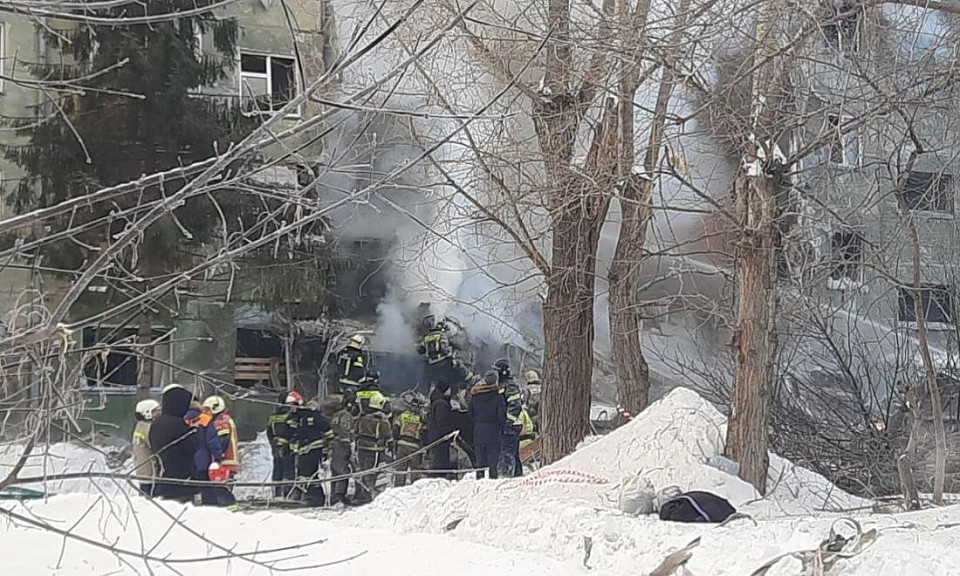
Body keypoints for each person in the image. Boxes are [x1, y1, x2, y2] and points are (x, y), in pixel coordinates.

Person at [149, 384, 198, 502]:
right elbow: (192, 448)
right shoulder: (178, 425)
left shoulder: (157, 423)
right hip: (181, 482)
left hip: (164, 478)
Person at [186, 400, 235, 506]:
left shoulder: (185, 420)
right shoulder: (206, 421)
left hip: (190, 460)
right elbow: (213, 441)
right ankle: (211, 508)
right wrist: (218, 457)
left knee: (197, 487)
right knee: (209, 488)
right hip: (205, 460)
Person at [291, 398, 333, 506]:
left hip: (314, 448)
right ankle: (312, 495)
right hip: (303, 448)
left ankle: (312, 497)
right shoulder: (298, 417)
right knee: (305, 473)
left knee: (309, 473)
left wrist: (328, 447)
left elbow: (327, 429)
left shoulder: (314, 416)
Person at [354, 392, 392, 504]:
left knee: (361, 471)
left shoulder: (362, 416)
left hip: (361, 447)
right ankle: (367, 496)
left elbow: (355, 431)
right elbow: (387, 433)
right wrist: (390, 444)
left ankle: (359, 494)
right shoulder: (381, 418)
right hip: (374, 449)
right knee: (371, 472)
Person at [468, 370, 506, 480]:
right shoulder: (498, 397)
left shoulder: (475, 397)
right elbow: (501, 416)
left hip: (479, 432)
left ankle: (479, 481)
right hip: (494, 432)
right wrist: (501, 425)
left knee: (480, 461)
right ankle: (492, 482)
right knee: (493, 462)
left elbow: (470, 413)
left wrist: (478, 422)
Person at [267, 391, 299, 498]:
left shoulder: (274, 414)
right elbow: (293, 431)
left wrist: (273, 443)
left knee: (277, 470)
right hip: (287, 447)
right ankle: (287, 493)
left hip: (276, 447)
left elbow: (269, 432)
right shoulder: (290, 414)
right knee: (288, 470)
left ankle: (276, 493)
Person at [322, 394, 353, 505]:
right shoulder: (345, 415)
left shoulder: (334, 417)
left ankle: (333, 494)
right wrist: (349, 445)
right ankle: (339, 495)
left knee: (335, 470)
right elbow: (346, 430)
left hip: (334, 445)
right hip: (342, 445)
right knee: (342, 470)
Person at [495, 359, 524, 478]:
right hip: (510, 425)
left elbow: (515, 405)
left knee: (507, 453)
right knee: (513, 453)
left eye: (497, 371)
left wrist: (507, 421)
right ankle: (517, 475)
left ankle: (507, 477)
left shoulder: (510, 386)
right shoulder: (503, 385)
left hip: (511, 426)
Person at [392, 392, 427, 487]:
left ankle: (398, 489)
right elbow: (424, 433)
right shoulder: (422, 418)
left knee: (400, 470)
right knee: (415, 471)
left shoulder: (403, 415)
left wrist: (396, 440)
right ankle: (414, 490)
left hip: (402, 445)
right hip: (415, 447)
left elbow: (395, 429)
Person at [204, 396, 240, 480]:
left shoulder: (221, 421)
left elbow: (223, 441)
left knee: (221, 490)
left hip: (224, 463)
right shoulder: (227, 419)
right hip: (229, 462)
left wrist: (217, 457)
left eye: (207, 410)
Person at [132, 399, 161, 496]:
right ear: (147, 412)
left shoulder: (139, 426)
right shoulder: (147, 428)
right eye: (154, 411)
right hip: (150, 472)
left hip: (143, 471)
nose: (157, 413)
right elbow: (156, 446)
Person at [426, 382, 456, 475]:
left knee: (437, 461)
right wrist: (449, 434)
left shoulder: (436, 401)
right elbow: (442, 422)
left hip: (434, 437)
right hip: (440, 438)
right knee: (440, 463)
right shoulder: (442, 404)